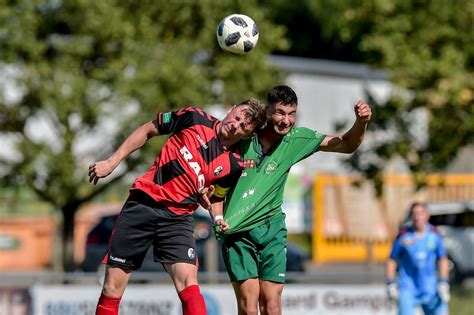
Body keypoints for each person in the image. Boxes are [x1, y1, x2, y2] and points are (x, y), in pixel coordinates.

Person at [88, 99, 266, 315]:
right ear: (231, 110)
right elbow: (148, 130)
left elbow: (216, 197)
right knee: (112, 287)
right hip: (143, 204)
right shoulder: (194, 117)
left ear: (247, 134)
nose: (236, 125)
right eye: (237, 117)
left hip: (178, 218)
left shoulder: (235, 163)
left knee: (189, 283)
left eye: (243, 127)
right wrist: (111, 162)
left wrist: (217, 218)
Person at [208, 85, 372, 315]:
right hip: (237, 231)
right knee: (248, 306)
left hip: (272, 228)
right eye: (280, 113)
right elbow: (215, 172)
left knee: (272, 304)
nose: (286, 121)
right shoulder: (244, 136)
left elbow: (346, 144)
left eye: (291, 114)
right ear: (267, 111)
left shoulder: (297, 139)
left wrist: (361, 122)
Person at [386, 202, 450, 315]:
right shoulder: (403, 235)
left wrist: (444, 282)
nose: (418, 217)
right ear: (411, 216)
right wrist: (391, 283)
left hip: (430, 287)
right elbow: (392, 259)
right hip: (408, 287)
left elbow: (442, 259)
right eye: (415, 214)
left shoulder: (435, 235)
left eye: (421, 213)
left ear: (427, 215)